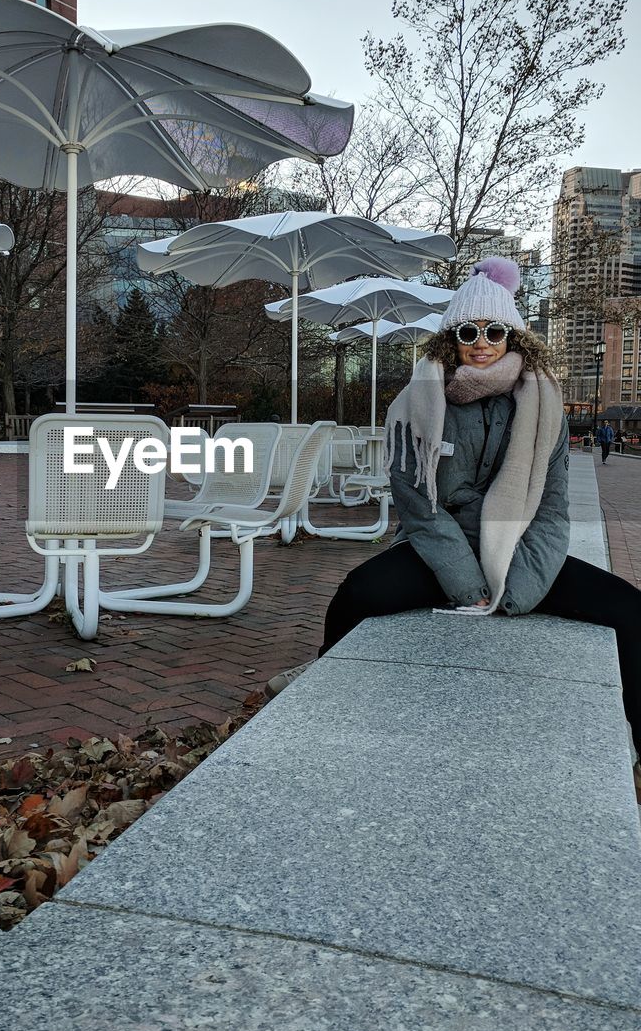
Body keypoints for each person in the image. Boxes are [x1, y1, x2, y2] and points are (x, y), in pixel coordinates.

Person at [268, 256, 641, 787]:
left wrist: (517, 585)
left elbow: (551, 508)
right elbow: (419, 505)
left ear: (514, 337)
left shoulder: (545, 406)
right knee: (357, 592)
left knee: (630, 610)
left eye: (496, 330)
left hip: (517, 544)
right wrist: (467, 584)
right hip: (442, 545)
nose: (482, 341)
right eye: (470, 330)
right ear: (451, 338)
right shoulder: (414, 403)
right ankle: (322, 674)